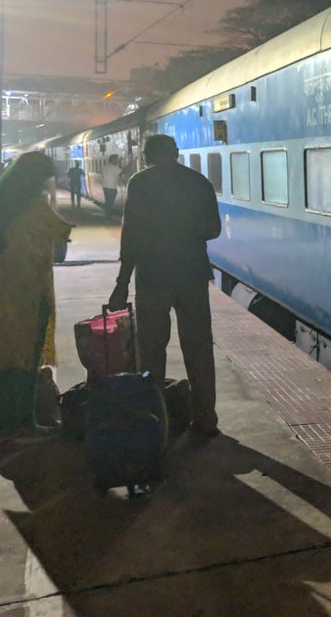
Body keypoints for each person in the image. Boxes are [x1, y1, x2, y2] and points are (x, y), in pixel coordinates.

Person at [108, 134, 221, 436]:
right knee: (199, 348)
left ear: (147, 156)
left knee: (152, 350)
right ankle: (205, 418)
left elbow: (131, 235)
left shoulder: (140, 183)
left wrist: (122, 282)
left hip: (153, 275)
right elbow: (213, 230)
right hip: (192, 274)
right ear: (176, 153)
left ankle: (156, 420)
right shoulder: (199, 182)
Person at [0, 152, 73, 446]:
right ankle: (23, 424)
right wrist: (52, 202)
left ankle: (1, 423)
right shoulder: (36, 206)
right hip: (29, 292)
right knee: (25, 359)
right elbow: (62, 236)